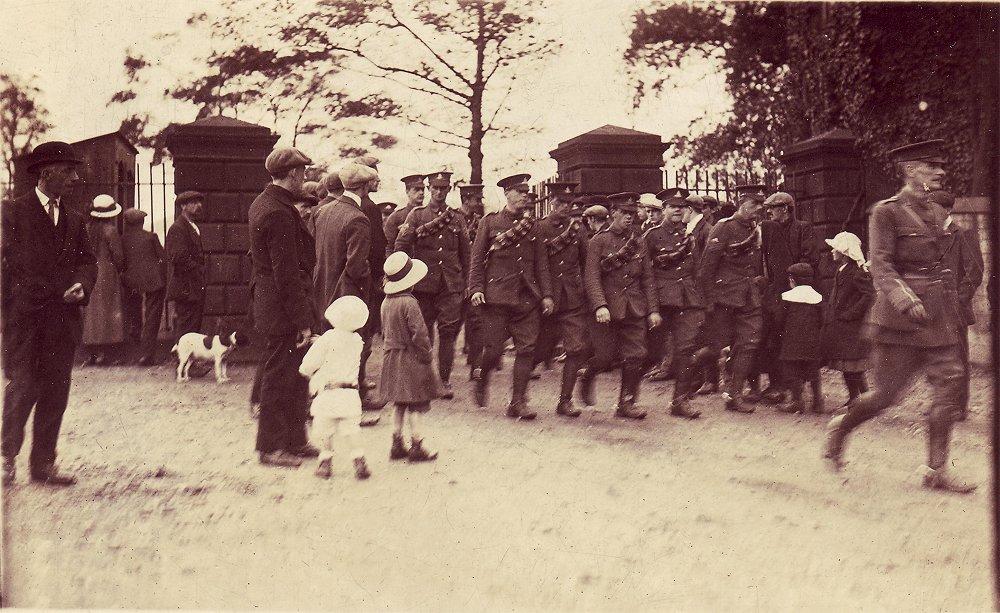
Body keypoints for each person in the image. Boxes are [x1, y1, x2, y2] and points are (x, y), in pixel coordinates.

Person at [825, 139, 975, 494]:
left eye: (941, 166)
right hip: (900, 321)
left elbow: (945, 265)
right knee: (884, 396)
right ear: (911, 170)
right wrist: (905, 300)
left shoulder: (939, 213)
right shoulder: (886, 212)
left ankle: (936, 470)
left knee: (951, 384)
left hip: (938, 317)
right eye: (932, 166)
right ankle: (841, 428)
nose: (941, 172)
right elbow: (881, 264)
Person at [2, 141, 96, 486]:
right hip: (26, 320)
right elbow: (6, 266)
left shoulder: (74, 218)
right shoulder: (12, 212)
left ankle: (43, 465)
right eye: (68, 171)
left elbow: (88, 261)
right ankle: (6, 458)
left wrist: (82, 285)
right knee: (23, 387)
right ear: (46, 173)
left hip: (63, 321)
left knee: (56, 392)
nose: (75, 178)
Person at [249, 146, 319, 468]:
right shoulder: (278, 211)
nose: (305, 177)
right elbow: (286, 272)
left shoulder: (266, 203)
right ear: (292, 174)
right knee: (278, 376)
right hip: (282, 307)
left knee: (294, 374)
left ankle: (295, 440)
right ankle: (270, 447)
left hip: (274, 303)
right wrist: (303, 320)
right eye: (303, 172)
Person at [468, 173, 553, 418]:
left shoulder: (533, 226)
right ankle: (483, 377)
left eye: (526, 192)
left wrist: (546, 294)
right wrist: (476, 289)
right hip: (496, 297)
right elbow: (477, 260)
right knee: (493, 351)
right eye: (519, 192)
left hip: (527, 297)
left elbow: (541, 264)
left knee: (526, 349)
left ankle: (518, 401)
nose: (524, 196)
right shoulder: (490, 222)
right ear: (507, 194)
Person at [578, 192, 661, 419]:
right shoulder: (599, 241)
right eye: (625, 212)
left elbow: (647, 278)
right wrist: (599, 305)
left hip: (634, 306)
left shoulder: (638, 241)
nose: (629, 217)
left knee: (636, 354)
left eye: (632, 213)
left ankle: (627, 403)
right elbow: (591, 277)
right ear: (613, 212)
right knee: (605, 357)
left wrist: (653, 309)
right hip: (607, 308)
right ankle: (588, 374)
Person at [312, 162, 383, 421]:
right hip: (347, 295)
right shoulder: (358, 218)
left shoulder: (323, 211)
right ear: (364, 187)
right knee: (350, 355)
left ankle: (320, 406)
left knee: (328, 350)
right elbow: (356, 266)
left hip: (322, 290)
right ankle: (351, 412)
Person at [394, 170, 469, 398]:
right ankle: (425, 380)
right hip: (423, 285)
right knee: (423, 333)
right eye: (434, 188)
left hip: (449, 284)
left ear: (449, 190)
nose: (439, 192)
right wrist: (404, 278)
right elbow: (401, 247)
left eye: (443, 188)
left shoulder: (457, 218)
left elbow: (466, 253)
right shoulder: (416, 216)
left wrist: (465, 282)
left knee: (448, 333)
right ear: (429, 190)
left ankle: (444, 381)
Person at [698, 185, 767, 414]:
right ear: (741, 202)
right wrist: (707, 302)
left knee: (749, 342)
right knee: (715, 347)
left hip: (748, 297)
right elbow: (706, 270)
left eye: (761, 204)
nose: (759, 208)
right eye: (754, 204)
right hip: (724, 298)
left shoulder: (755, 228)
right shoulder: (723, 227)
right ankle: (686, 374)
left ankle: (734, 394)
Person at [749, 191, 819, 404]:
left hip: (797, 291)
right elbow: (763, 258)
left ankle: (795, 388)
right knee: (772, 338)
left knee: (794, 340)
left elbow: (810, 259)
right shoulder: (768, 229)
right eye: (768, 208)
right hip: (775, 291)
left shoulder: (803, 228)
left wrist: (793, 277)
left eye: (773, 208)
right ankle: (776, 384)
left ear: (786, 209)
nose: (769, 212)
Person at [641, 189, 705, 418]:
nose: (677, 210)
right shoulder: (651, 236)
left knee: (685, 348)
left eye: (681, 207)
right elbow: (645, 273)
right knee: (648, 351)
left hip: (686, 298)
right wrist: (651, 308)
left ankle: (680, 401)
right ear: (664, 209)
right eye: (672, 206)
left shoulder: (689, 236)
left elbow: (695, 269)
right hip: (661, 299)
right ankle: (626, 400)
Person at [531, 181, 590, 417]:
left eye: (569, 203)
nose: (566, 207)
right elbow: (538, 266)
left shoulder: (578, 229)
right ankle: (519, 395)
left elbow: (586, 262)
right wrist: (544, 295)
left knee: (575, 349)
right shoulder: (540, 228)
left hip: (573, 298)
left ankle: (565, 401)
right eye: (561, 203)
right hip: (548, 299)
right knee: (540, 350)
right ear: (552, 203)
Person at [299, 295, 373, 480]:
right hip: (350, 395)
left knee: (324, 429)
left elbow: (309, 364)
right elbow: (340, 348)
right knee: (352, 429)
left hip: (328, 394)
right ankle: (359, 459)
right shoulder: (357, 341)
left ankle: (325, 461)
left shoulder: (327, 339)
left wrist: (306, 371)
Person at [380, 252, 442, 462]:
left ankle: (396, 443)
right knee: (417, 403)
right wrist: (427, 354)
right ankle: (417, 445)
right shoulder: (410, 303)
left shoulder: (386, 302)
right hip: (410, 358)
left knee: (399, 403)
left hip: (391, 357)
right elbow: (420, 333)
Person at [929, 190, 984, 420]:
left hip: (955, 308)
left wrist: (959, 298)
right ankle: (941, 402)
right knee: (937, 356)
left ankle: (959, 406)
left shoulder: (963, 235)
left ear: (947, 210)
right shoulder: (930, 235)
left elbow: (975, 270)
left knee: (958, 356)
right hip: (934, 306)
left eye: (935, 208)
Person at [822, 231, 874, 403]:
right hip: (841, 327)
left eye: (835, 249)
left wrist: (851, 314)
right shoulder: (842, 270)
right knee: (848, 366)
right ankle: (856, 398)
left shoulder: (856, 272)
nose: (832, 252)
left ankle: (862, 399)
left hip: (851, 327)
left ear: (844, 252)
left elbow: (869, 295)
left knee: (854, 366)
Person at [81, 194, 126, 365]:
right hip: (106, 272)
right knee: (108, 311)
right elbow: (118, 256)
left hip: (89, 272)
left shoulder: (86, 229)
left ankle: (91, 353)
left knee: (91, 313)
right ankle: (104, 353)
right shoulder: (110, 231)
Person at [774, 263, 824, 414]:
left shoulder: (788, 298)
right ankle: (817, 401)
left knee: (792, 370)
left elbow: (779, 319)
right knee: (813, 371)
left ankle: (797, 401)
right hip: (812, 343)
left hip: (792, 343)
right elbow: (822, 319)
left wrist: (781, 333)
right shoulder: (818, 298)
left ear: (793, 280)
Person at [121, 207, 167, 365]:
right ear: (142, 222)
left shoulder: (123, 239)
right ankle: (147, 354)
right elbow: (162, 257)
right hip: (153, 281)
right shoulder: (151, 237)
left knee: (134, 316)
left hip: (131, 281)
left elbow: (121, 260)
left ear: (127, 222)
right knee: (152, 317)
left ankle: (136, 352)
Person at [165, 191, 206, 340]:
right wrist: (197, 271)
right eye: (193, 203)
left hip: (193, 285)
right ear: (183, 206)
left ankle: (190, 360)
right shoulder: (178, 228)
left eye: (199, 202)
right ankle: (182, 359)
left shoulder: (192, 226)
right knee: (186, 324)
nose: (199, 205)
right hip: (186, 286)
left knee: (193, 324)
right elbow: (178, 257)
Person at [457, 183, 486, 380]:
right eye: (476, 199)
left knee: (477, 323)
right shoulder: (451, 219)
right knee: (451, 324)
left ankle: (476, 365)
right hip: (454, 280)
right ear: (466, 200)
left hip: (474, 279)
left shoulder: (480, 222)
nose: (479, 203)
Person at [383, 174, 426, 250]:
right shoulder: (396, 217)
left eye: (423, 189)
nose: (421, 192)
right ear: (407, 191)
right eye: (417, 189)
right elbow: (388, 246)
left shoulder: (427, 213)